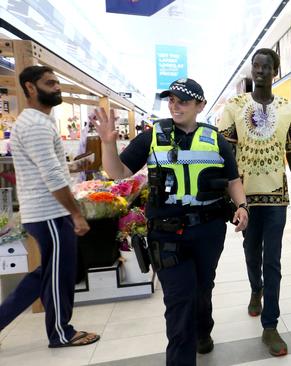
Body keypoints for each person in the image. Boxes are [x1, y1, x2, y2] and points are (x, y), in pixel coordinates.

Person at [92, 78, 248, 366]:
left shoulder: (216, 139)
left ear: (200, 106)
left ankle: (204, 331)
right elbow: (118, 173)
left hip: (208, 230)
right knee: (179, 302)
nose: (175, 106)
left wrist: (241, 206)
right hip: (166, 234)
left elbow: (233, 180)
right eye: (171, 100)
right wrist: (108, 144)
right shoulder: (152, 136)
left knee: (203, 288)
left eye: (184, 101)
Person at [0, 66, 99, 348]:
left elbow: (49, 167)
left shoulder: (38, 122)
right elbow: (52, 176)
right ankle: (61, 332)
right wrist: (76, 214)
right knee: (59, 275)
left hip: (46, 212)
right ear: (30, 88)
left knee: (45, 275)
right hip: (49, 214)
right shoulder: (35, 125)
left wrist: (71, 166)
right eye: (50, 83)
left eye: (57, 82)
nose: (56, 87)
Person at [218, 48, 291, 356]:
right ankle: (256, 288)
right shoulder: (234, 106)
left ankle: (271, 325)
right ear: (251, 70)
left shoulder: (287, 108)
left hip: (276, 196)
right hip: (244, 198)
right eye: (257, 66)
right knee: (251, 251)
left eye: (267, 66)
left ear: (275, 72)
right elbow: (225, 154)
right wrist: (227, 197)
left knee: (274, 260)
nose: (261, 71)